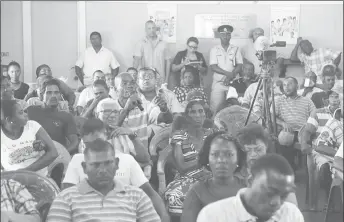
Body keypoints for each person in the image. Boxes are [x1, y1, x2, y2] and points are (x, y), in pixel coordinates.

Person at [62, 118, 170, 221]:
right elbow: (67, 196)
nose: (94, 147)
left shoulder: (126, 160)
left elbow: (150, 194)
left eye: (97, 141)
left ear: (106, 135)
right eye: (88, 144)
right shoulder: (78, 160)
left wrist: (164, 216)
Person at [47, 139, 161, 222]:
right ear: (85, 168)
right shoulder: (66, 198)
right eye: (95, 165)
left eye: (108, 163)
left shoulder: (137, 196)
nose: (102, 170)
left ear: (116, 164)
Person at [197, 154, 304, 222]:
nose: (276, 202)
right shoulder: (213, 216)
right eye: (270, 192)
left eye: (284, 195)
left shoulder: (291, 215)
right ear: (250, 181)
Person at [164, 96, 215, 219]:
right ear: (186, 116)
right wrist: (203, 161)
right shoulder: (179, 136)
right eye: (193, 112)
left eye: (201, 111)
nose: (198, 115)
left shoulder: (211, 133)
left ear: (205, 114)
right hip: (187, 178)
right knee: (176, 196)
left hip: (211, 176)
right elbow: (182, 166)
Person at [181, 131, 245, 222]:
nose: (221, 160)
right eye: (215, 154)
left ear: (238, 159)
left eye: (229, 154)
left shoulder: (248, 189)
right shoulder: (197, 192)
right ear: (207, 158)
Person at [235, 123, 298, 206]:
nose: (253, 154)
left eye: (258, 149)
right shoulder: (235, 174)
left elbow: (292, 207)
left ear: (266, 147)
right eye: (248, 150)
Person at [114, 72, 173, 148]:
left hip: (142, 156)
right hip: (121, 157)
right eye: (124, 83)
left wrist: (164, 109)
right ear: (116, 90)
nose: (130, 86)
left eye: (132, 83)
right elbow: (109, 132)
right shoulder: (109, 106)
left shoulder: (144, 105)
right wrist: (126, 110)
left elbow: (168, 121)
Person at [1, 99, 58, 176]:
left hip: (39, 178)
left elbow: (53, 153)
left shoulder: (32, 126)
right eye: (21, 113)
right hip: (13, 182)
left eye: (24, 111)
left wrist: (26, 171)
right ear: (10, 119)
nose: (26, 114)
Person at [94, 99, 152, 174]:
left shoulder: (123, 131)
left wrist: (132, 136)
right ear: (96, 114)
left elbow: (145, 159)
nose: (112, 115)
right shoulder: (90, 135)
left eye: (115, 112)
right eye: (107, 111)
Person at [26, 79, 79, 155]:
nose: (53, 96)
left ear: (60, 96)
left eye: (56, 93)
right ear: (41, 96)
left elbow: (74, 142)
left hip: (58, 157)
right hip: (33, 155)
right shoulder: (30, 111)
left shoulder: (66, 116)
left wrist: (61, 154)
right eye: (49, 93)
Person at [275, 77, 316, 170]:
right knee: (284, 138)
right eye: (284, 85)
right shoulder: (279, 100)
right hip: (288, 130)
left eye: (289, 84)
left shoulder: (307, 100)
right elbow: (271, 116)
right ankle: (289, 170)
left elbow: (314, 115)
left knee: (308, 140)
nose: (286, 87)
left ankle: (308, 174)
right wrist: (282, 123)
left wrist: (309, 127)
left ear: (297, 86)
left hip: (304, 130)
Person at [209, 25, 243, 114]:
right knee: (215, 109)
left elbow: (239, 65)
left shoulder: (236, 49)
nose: (225, 36)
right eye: (223, 34)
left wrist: (231, 76)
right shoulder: (214, 49)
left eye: (228, 34)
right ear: (219, 36)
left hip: (233, 84)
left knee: (235, 109)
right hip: (218, 83)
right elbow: (213, 66)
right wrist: (227, 74)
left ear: (230, 36)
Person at [133, 20, 171, 86]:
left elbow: (168, 62)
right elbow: (136, 61)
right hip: (145, 79)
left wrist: (167, 79)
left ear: (156, 29)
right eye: (149, 28)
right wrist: (133, 78)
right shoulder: (140, 44)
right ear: (145, 30)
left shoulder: (164, 44)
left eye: (153, 28)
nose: (152, 30)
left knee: (160, 96)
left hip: (160, 79)